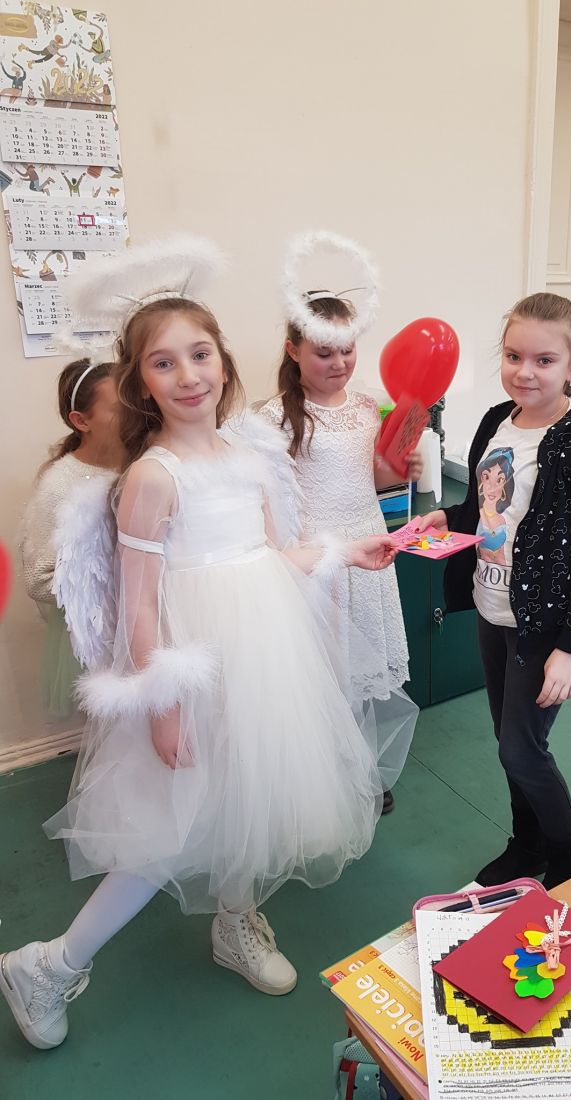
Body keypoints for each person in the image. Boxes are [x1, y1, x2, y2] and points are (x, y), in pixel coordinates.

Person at [0, 238, 411, 1052]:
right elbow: (140, 605)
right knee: (170, 827)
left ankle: (234, 920)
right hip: (189, 669)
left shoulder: (248, 457)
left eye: (199, 354)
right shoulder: (152, 477)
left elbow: (271, 556)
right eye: (163, 362)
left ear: (223, 361)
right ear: (140, 381)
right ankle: (49, 963)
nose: (187, 375)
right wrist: (161, 706)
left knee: (245, 797)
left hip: (263, 655)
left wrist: (346, 551)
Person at [416, 292, 571, 888]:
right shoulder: (496, 421)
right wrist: (448, 518)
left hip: (544, 622)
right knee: (508, 738)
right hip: (492, 605)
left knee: (521, 748)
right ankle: (528, 844)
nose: (525, 372)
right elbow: (487, 507)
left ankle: (567, 855)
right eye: (514, 356)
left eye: (544, 360)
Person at [259, 234, 420, 814]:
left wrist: (402, 463)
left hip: (369, 548)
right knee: (323, 673)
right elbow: (268, 501)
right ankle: (324, 777)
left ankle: (362, 769)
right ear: (293, 350)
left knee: (363, 670)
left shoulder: (368, 406)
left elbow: (373, 476)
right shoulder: (274, 417)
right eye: (324, 353)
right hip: (320, 557)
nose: (339, 364)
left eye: (347, 351)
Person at [19, 358, 120, 718]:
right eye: (119, 408)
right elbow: (39, 579)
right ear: (81, 421)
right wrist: (115, 577)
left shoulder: (144, 462)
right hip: (102, 631)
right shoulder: (60, 486)